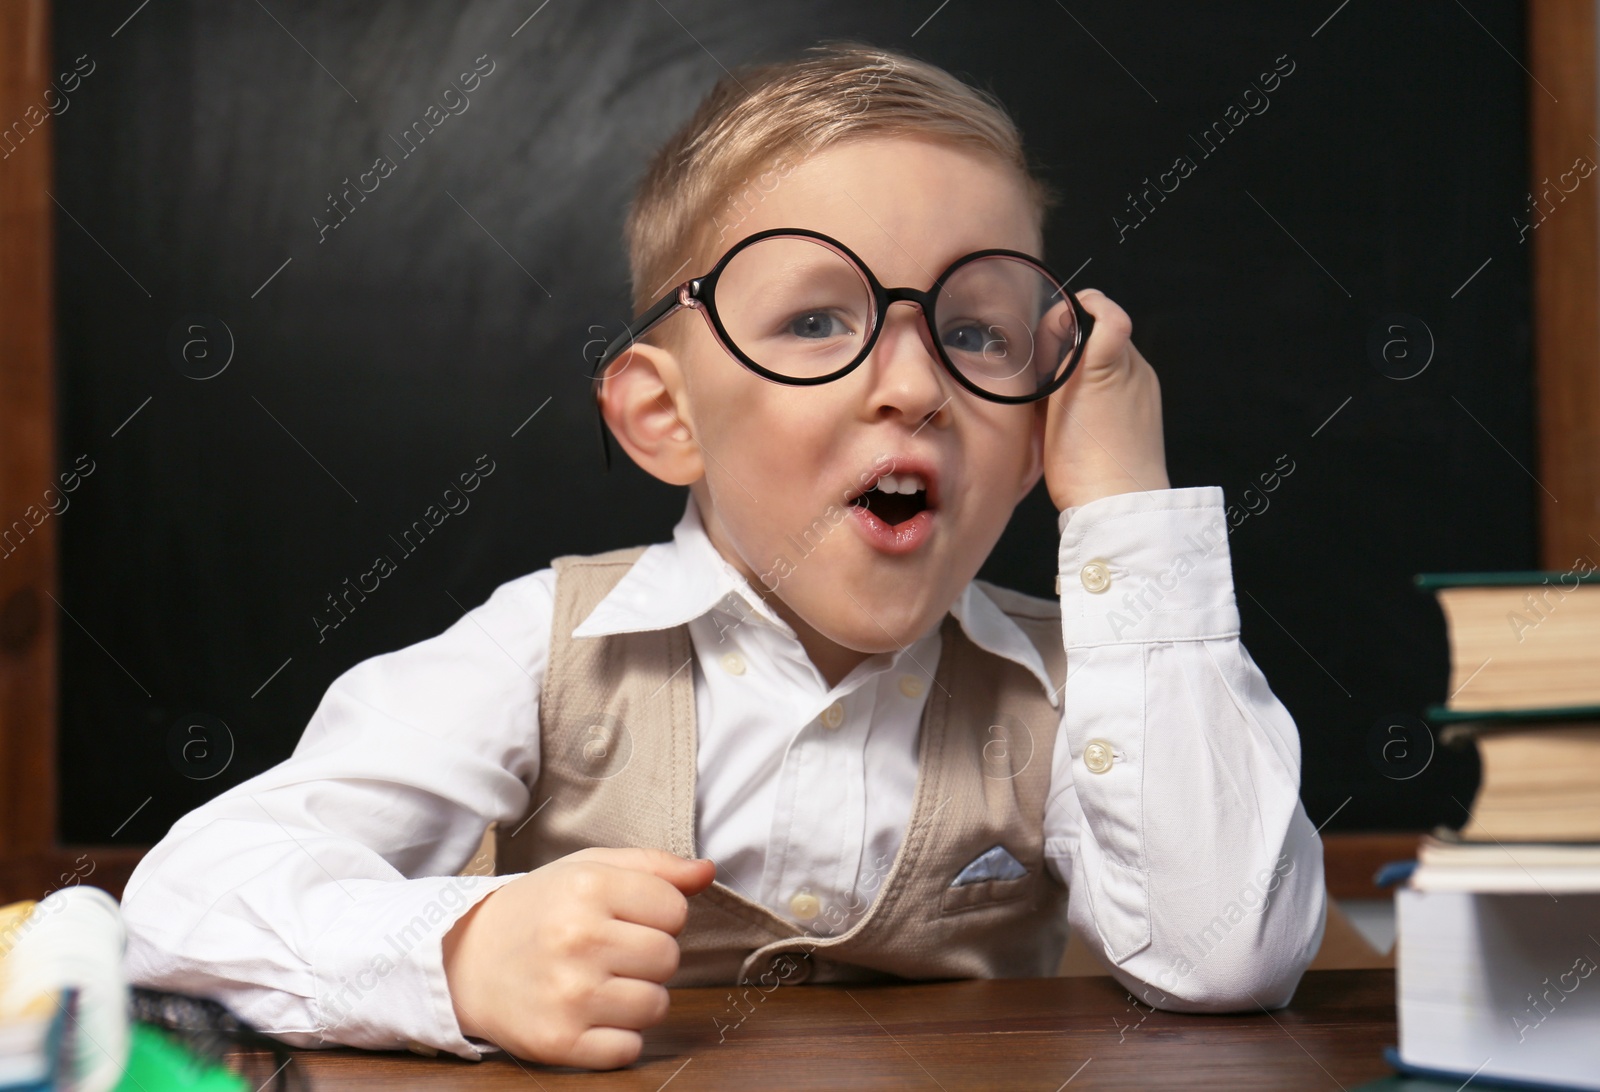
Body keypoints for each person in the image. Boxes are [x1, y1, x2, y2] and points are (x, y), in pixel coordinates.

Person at [120, 42, 1325, 1071]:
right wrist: (460, 956)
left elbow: (1227, 954)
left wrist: (1123, 503)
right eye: (817, 321)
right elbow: (182, 908)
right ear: (667, 416)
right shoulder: (541, 657)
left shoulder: (1085, 689)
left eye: (973, 333)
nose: (911, 387)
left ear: (1035, 433)